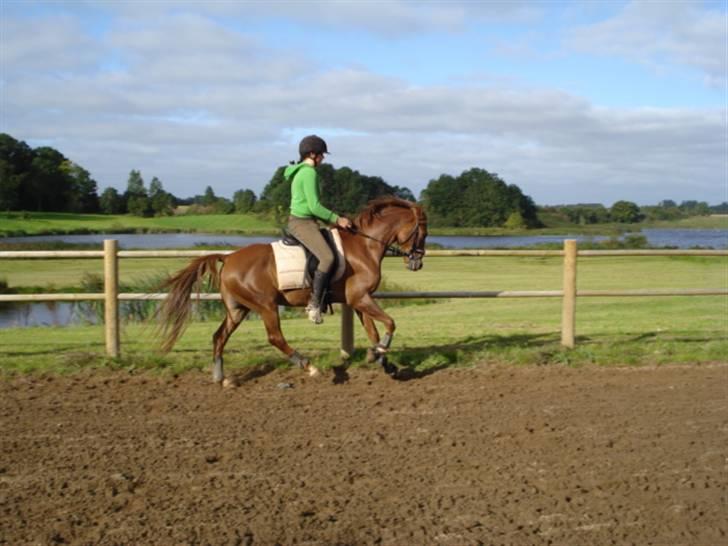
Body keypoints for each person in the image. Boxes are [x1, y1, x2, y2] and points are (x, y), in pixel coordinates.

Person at [284, 135, 353, 324]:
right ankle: (314, 304)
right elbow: (314, 206)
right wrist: (337, 219)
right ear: (312, 154)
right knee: (328, 257)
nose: (323, 158)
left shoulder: (302, 172)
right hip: (302, 222)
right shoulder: (308, 173)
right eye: (322, 155)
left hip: (307, 221)